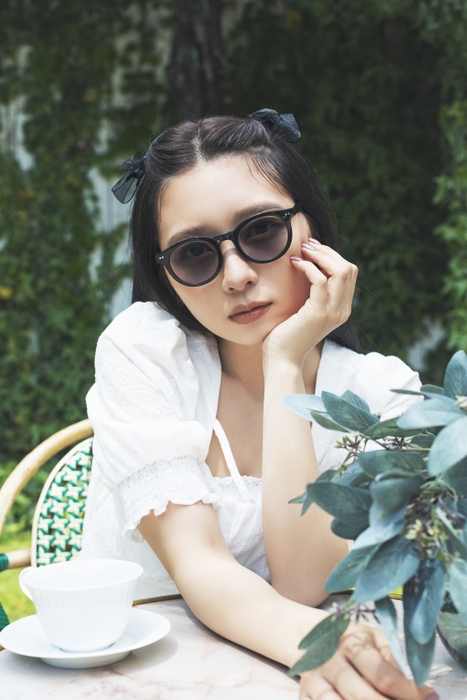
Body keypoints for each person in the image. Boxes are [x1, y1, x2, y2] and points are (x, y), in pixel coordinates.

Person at [81, 109, 437, 700]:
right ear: (166, 274)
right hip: (134, 673)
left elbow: (303, 582)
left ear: (312, 228)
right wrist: (318, 645)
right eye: (195, 253)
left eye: (262, 230)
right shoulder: (145, 352)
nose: (237, 275)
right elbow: (199, 563)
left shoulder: (378, 394)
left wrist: (284, 361)